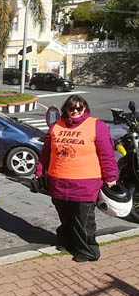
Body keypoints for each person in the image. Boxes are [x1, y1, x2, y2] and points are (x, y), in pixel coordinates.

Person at [35, 94, 118, 262]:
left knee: (83, 220)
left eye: (79, 108)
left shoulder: (97, 126)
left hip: (85, 184)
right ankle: (67, 242)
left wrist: (111, 177)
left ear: (85, 108)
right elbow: (46, 154)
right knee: (65, 217)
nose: (75, 111)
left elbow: (107, 155)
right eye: (71, 108)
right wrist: (39, 172)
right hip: (58, 182)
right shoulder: (56, 127)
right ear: (66, 109)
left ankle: (88, 251)